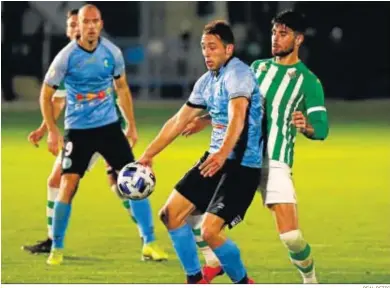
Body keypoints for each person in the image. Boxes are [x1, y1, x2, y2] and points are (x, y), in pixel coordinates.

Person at [182, 10, 329, 284]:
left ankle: (310, 279)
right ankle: (213, 263)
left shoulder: (308, 81)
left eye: (283, 33)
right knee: (189, 208)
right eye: (274, 32)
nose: (275, 38)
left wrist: (306, 125)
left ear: (298, 40)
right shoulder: (257, 68)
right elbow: (237, 105)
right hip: (241, 158)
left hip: (275, 161)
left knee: (291, 237)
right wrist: (205, 119)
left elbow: (322, 127)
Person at [23, 8, 167, 262]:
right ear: (78, 26)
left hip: (109, 128)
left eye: (94, 21)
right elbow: (47, 96)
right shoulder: (66, 58)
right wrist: (52, 131)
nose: (90, 26)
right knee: (66, 184)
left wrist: (131, 125)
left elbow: (121, 88)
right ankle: (56, 246)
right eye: (84, 22)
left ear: (101, 24)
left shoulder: (112, 53)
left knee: (134, 180)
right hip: (79, 132)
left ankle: (150, 242)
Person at [138, 20, 263, 284]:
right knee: (170, 215)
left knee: (209, 231)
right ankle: (195, 279)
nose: (207, 53)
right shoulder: (206, 81)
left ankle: (243, 282)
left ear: (229, 50)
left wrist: (222, 154)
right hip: (214, 160)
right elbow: (177, 121)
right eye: (204, 47)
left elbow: (238, 118)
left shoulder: (238, 74)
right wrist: (148, 155)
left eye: (213, 47)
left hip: (241, 165)